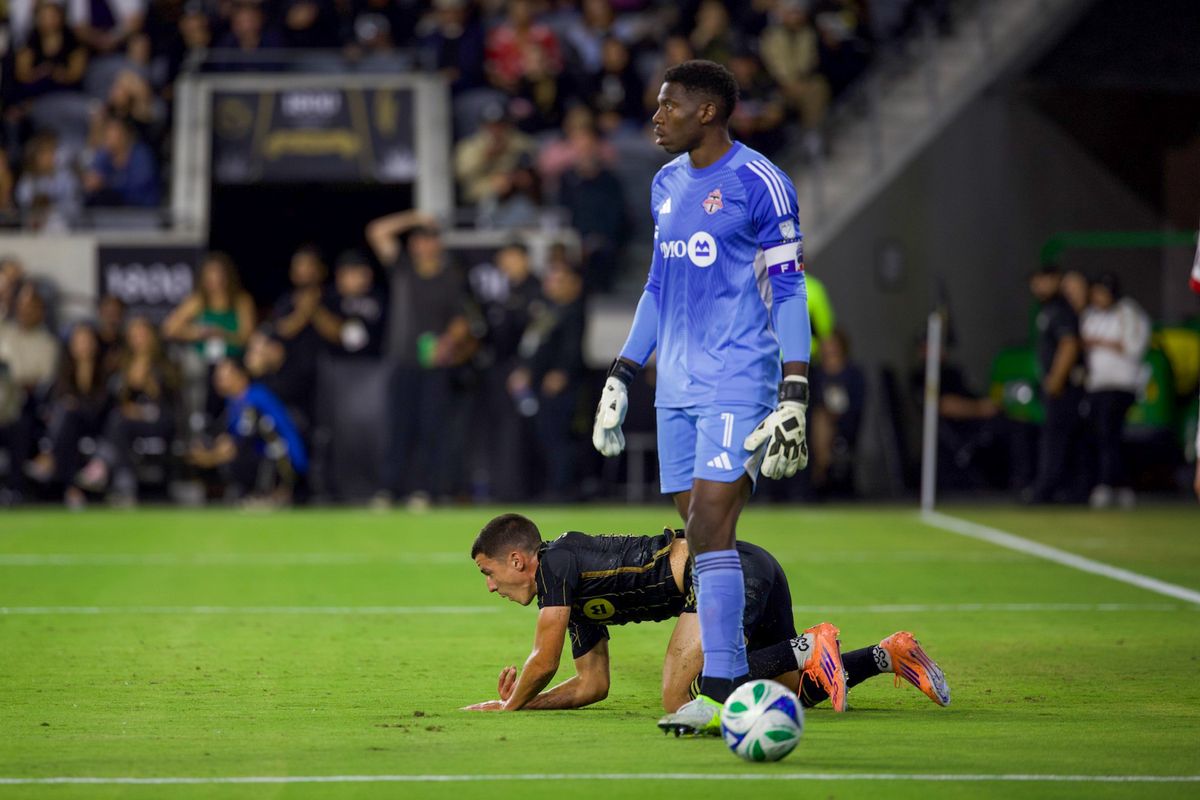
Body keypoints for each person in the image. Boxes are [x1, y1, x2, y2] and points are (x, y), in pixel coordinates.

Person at [591, 60, 814, 735]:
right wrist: (623, 373)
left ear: (709, 112)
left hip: (738, 378)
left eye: (669, 107)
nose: (656, 118)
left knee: (711, 523)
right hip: (676, 387)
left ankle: (718, 688)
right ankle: (756, 670)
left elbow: (790, 288)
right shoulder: (665, 184)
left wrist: (795, 390)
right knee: (705, 541)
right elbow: (657, 289)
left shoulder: (760, 182)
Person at [463, 513, 950, 717]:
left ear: (518, 561)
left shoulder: (555, 567)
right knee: (784, 694)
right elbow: (593, 685)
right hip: (747, 566)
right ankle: (888, 655)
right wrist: (529, 703)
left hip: (717, 571)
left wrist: (508, 707)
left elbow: (542, 660)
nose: (490, 587)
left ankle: (808, 646)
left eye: (488, 573)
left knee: (684, 700)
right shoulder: (572, 590)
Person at [75, 316, 178, 504]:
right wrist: (129, 385)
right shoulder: (124, 364)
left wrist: (148, 383)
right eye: (134, 335)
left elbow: (170, 402)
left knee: (118, 423)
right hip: (130, 421)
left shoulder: (166, 364)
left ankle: (103, 465)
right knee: (117, 420)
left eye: (142, 334)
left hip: (161, 420)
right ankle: (123, 483)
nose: (139, 339)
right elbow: (117, 401)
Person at [186, 357, 307, 504]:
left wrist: (211, 458)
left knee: (236, 455)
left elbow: (242, 442)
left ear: (240, 375)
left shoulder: (255, 398)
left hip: (285, 460)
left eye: (223, 376)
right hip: (262, 453)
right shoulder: (233, 402)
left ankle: (269, 494)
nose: (217, 380)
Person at [1080, 273, 1149, 509]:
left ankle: (1111, 484)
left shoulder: (1127, 312)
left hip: (1120, 385)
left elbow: (1133, 346)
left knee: (1110, 434)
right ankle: (1115, 483)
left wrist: (1100, 343)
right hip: (1097, 385)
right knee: (1099, 435)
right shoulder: (1091, 315)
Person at [24, 322, 111, 503]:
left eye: (87, 340)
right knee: (64, 415)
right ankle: (70, 487)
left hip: (96, 426)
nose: (83, 345)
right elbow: (56, 404)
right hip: (68, 430)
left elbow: (102, 407)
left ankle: (49, 458)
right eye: (79, 341)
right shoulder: (62, 374)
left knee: (68, 414)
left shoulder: (104, 373)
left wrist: (76, 404)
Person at [1023, 264, 1087, 504]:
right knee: (1060, 437)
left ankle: (1049, 488)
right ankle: (1063, 488)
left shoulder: (1060, 309)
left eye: (1042, 279)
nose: (1037, 285)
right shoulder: (1047, 309)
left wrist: (1056, 379)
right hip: (1056, 384)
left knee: (1057, 438)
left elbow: (1069, 344)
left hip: (1064, 386)